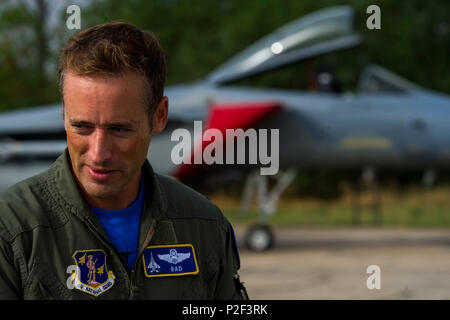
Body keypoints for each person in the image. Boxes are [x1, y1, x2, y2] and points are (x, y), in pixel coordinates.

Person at [0, 22, 248, 300]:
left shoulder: (204, 224)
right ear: (63, 114)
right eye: (81, 126)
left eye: (119, 129)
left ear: (159, 116)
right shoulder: (12, 229)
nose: (98, 154)